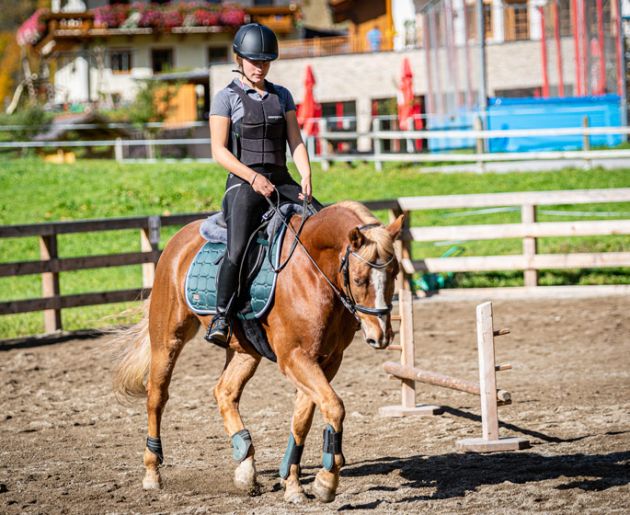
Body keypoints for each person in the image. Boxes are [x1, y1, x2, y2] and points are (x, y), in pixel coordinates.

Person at [207, 23, 322, 346]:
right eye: (253, 61)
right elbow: (219, 150)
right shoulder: (226, 97)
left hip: (281, 178)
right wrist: (253, 177)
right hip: (243, 181)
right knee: (238, 245)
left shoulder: (281, 95)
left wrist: (306, 173)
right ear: (239, 59)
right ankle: (222, 315)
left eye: (265, 62)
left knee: (321, 222)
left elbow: (295, 140)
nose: (259, 67)